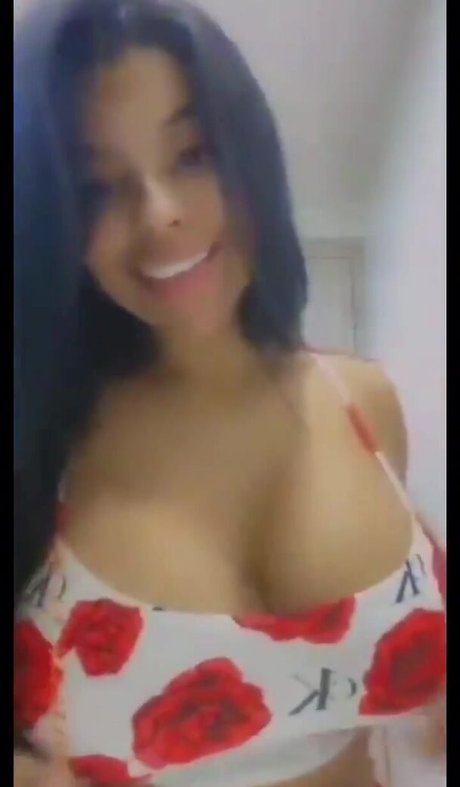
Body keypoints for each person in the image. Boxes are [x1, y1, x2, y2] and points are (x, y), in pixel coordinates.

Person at [14, 1, 446, 785]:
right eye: (98, 189)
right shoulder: (39, 446)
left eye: (193, 154)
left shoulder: (363, 401)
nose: (162, 214)